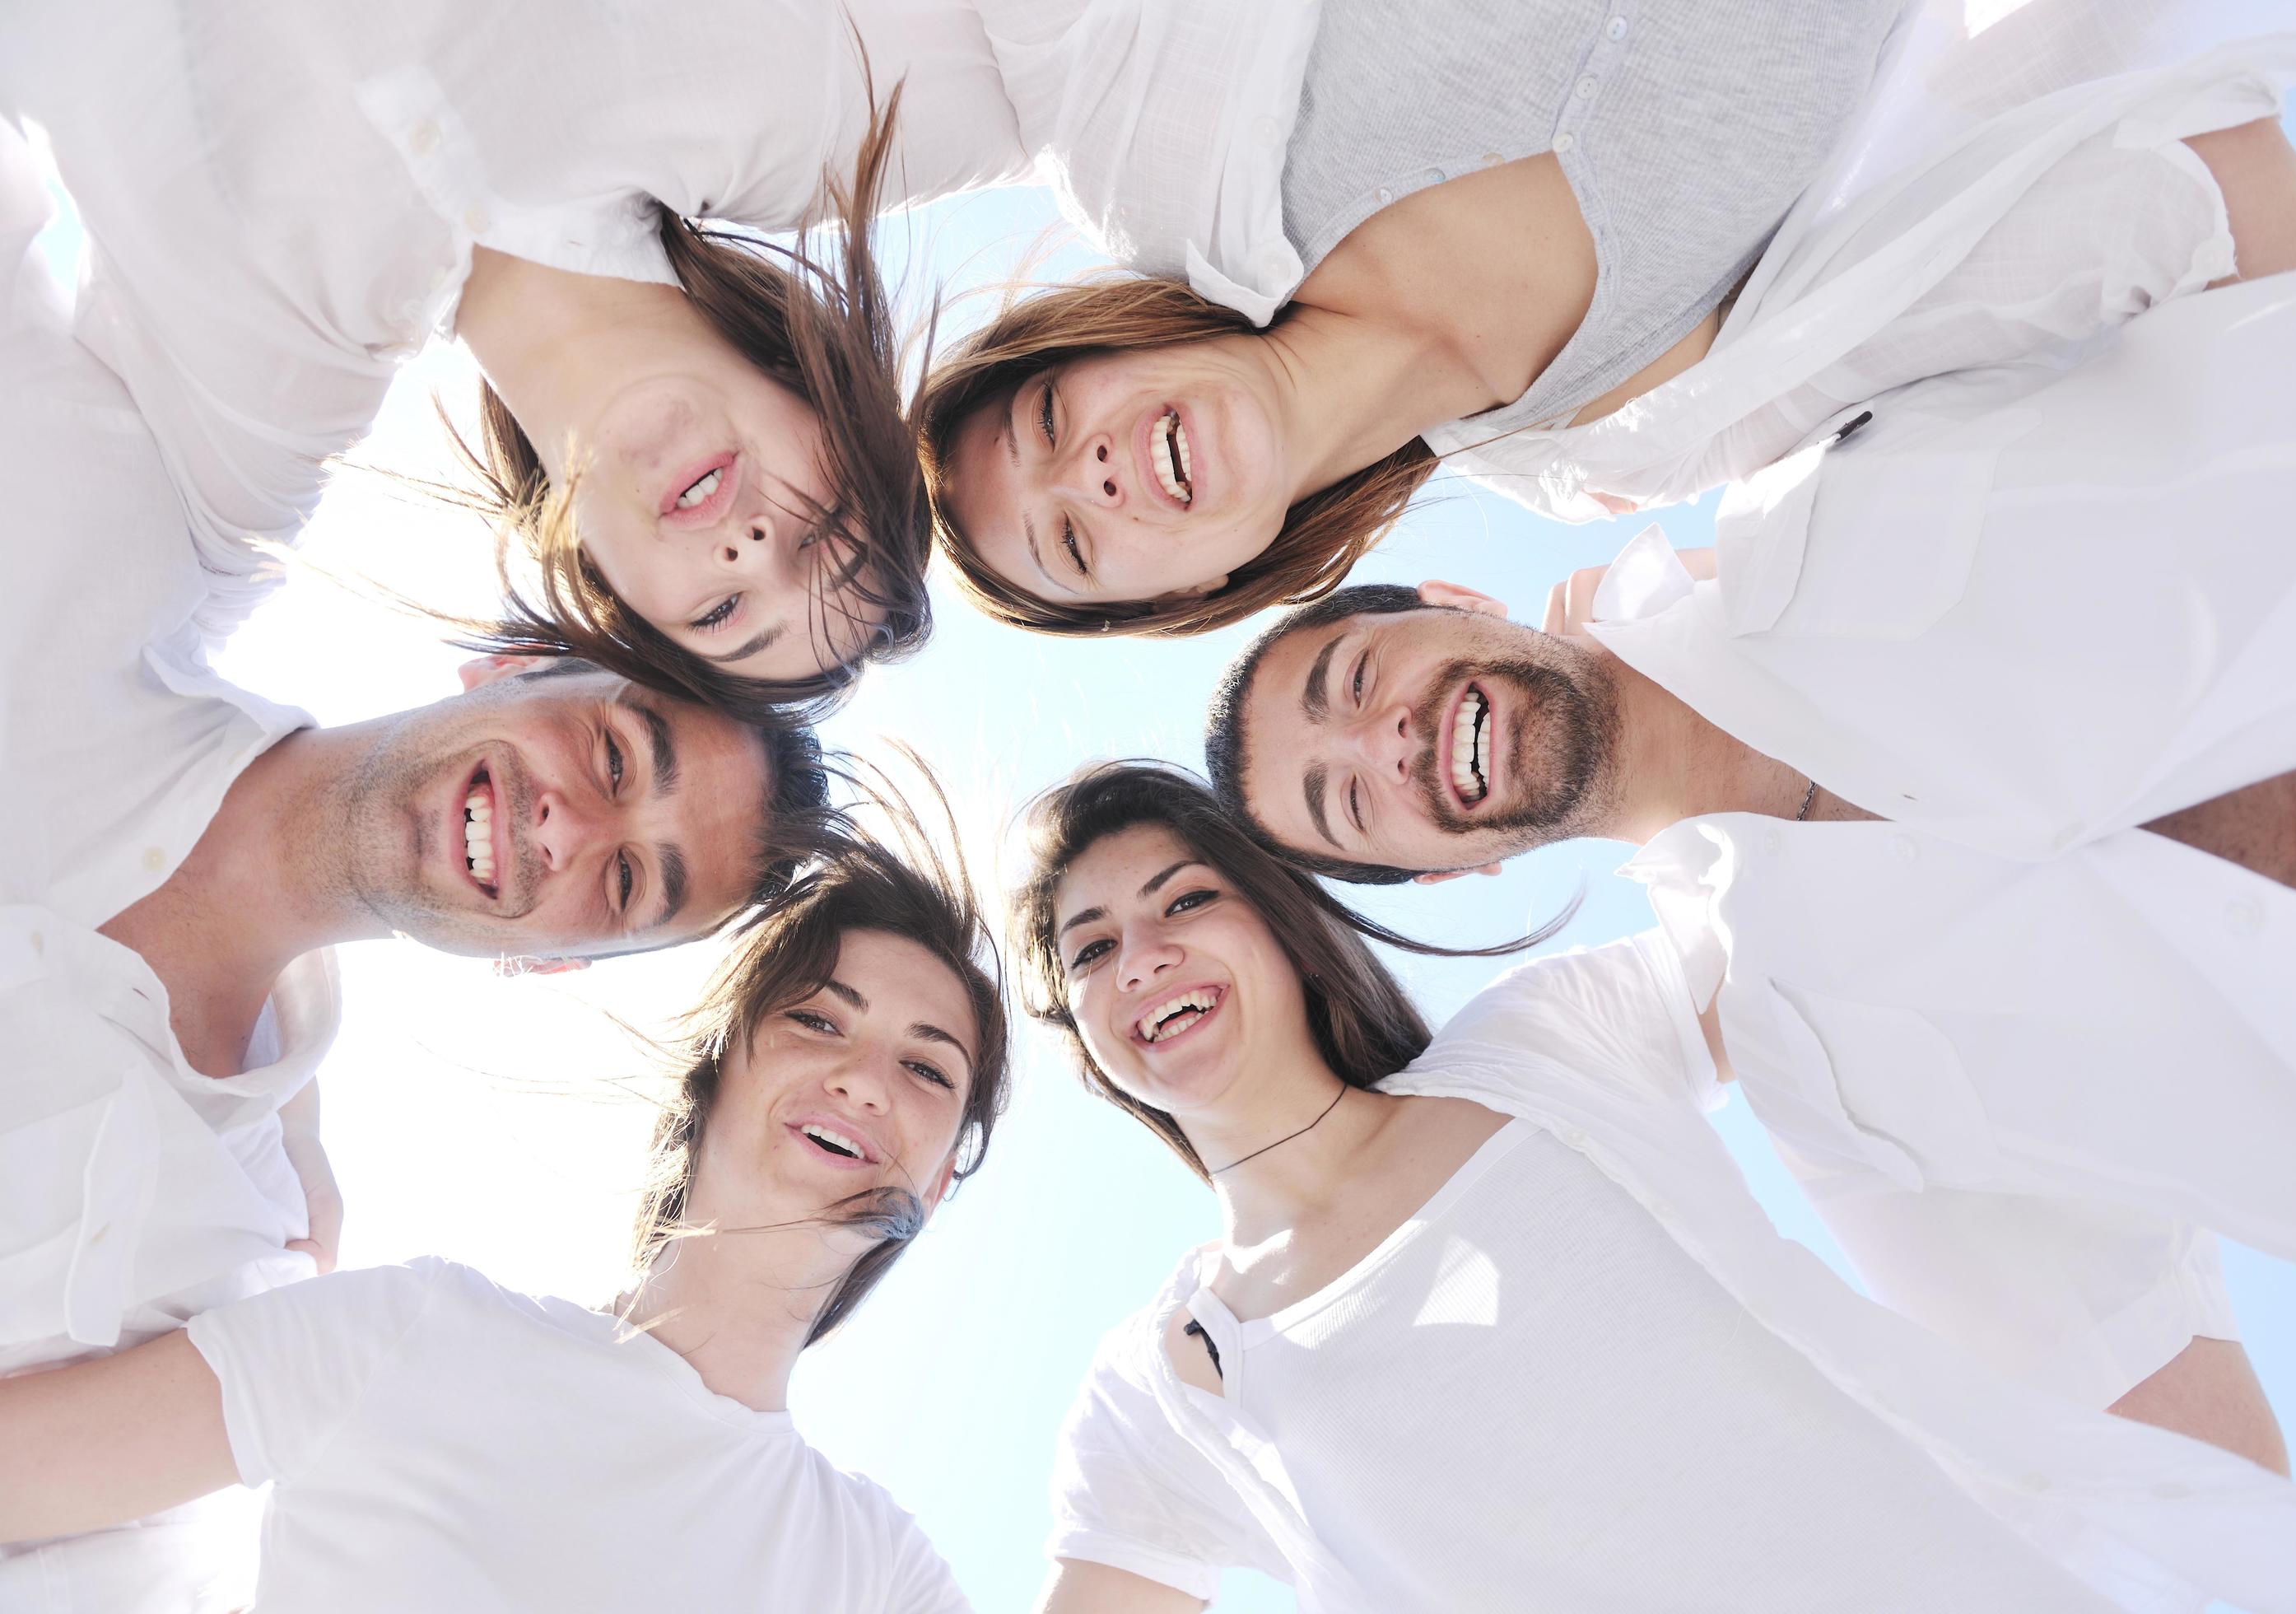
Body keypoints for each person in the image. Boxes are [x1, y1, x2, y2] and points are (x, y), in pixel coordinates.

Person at [1197, 245, 2296, 1378]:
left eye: (1355, 681)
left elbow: (2149, 182)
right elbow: (2157, 1428)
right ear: (1445, 873)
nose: (1387, 741)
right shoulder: (1819, 1082)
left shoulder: (1817, 466)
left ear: (1457, 596)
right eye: (1349, 801)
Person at [0, 116, 835, 1605]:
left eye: (631, 881)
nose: (573, 825)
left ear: (553, 958)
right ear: (512, 663)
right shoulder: (121, 513)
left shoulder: (219, 1254)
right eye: (620, 754)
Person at [1012, 763, 2296, 1614]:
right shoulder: (1170, 1389)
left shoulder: (1536, 1051)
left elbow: (1816, 896)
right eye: (1091, 947)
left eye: (1183, 901)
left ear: (1280, 922)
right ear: (1083, 1037)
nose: (1142, 956)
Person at [915, 2, 2296, 637]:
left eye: (1051, 424)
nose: (1091, 474)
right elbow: (2137, 202)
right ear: (1202, 584)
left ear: (1117, 344)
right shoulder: (1619, 437)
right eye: (1074, 542)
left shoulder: (1240, 134)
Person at [0, 0, 1334, 707]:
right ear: (841, 418)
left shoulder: (272, 385)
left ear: (606, 590)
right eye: (831, 536)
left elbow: (94, 669)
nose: (752, 553)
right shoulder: (807, 98)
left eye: (719, 615)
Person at [0, 831, 1009, 1612]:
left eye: (927, 1068)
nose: (866, 1080)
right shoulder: (410, 1332)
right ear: (718, 1069)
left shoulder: (876, 1574)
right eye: (818, 1018)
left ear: (940, 1182)